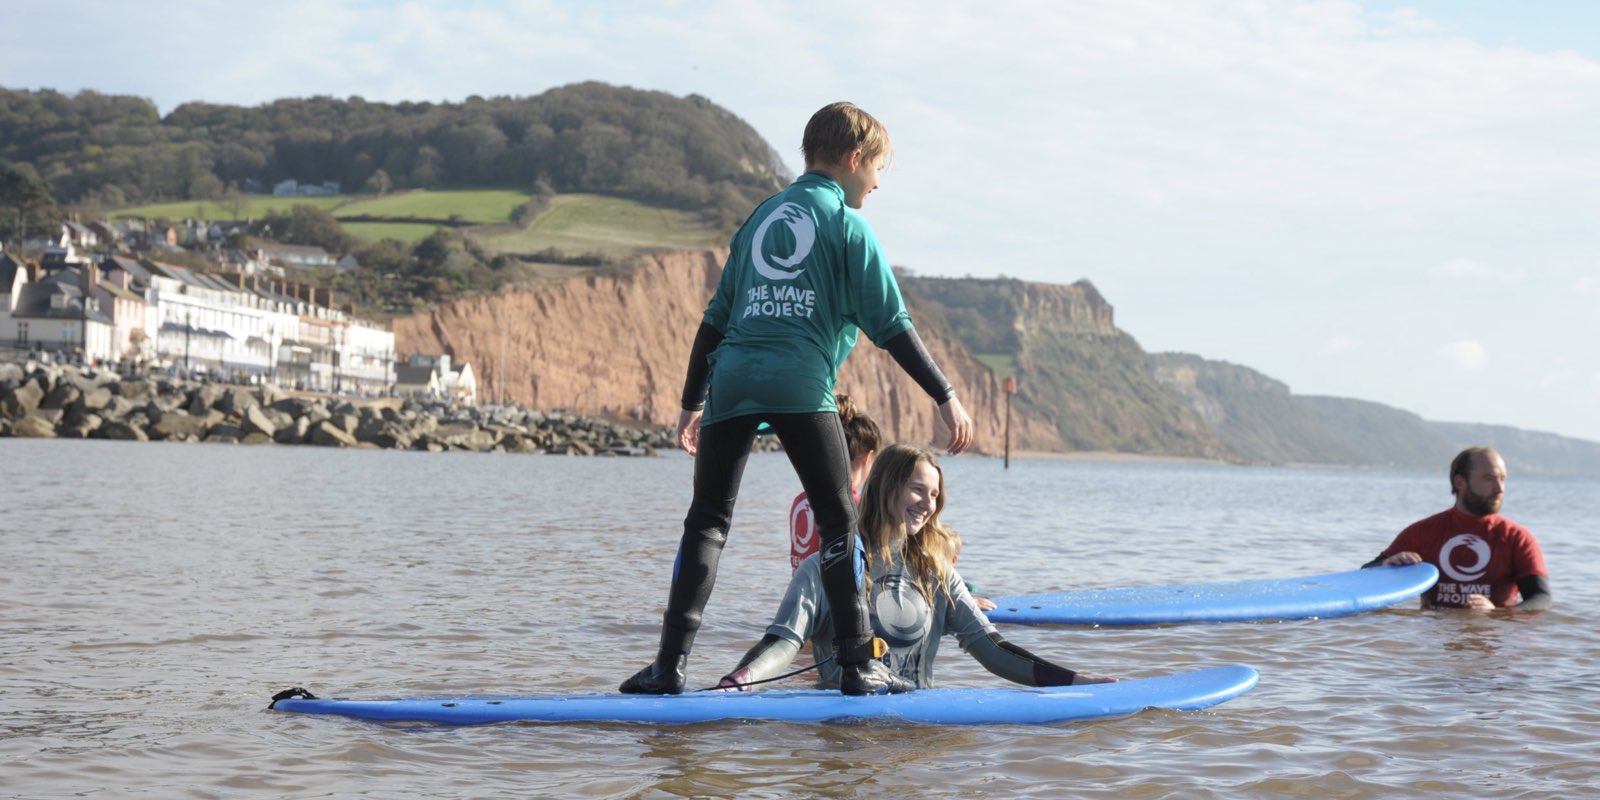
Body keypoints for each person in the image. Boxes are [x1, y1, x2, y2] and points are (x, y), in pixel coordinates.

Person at [621, 102, 976, 697]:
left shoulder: (760, 219)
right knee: (839, 520)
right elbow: (891, 324)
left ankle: (667, 667)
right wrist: (945, 394)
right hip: (799, 382)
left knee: (707, 521)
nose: (879, 183)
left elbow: (713, 323)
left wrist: (691, 402)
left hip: (731, 378)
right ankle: (859, 662)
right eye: (879, 169)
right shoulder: (846, 225)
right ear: (855, 159)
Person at [716, 444, 1113, 692]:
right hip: (842, 734)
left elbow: (992, 650)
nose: (928, 503)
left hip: (917, 735)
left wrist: (1073, 680)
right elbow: (784, 642)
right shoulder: (826, 568)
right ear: (887, 487)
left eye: (935, 494)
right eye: (918, 489)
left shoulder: (936, 573)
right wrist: (736, 684)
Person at [1363, 446, 1551, 611]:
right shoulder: (1423, 532)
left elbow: (1540, 599)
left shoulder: (1516, 537)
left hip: (1494, 641)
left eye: (1503, 479)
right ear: (1460, 482)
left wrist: (1496, 615)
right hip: (1435, 640)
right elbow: (1364, 576)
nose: (1500, 488)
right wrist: (1386, 567)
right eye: (1489, 478)